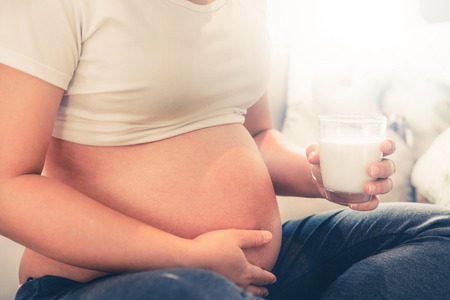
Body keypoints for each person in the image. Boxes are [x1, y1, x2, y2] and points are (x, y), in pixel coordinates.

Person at [0, 0, 449, 299]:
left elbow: (256, 136)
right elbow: (7, 187)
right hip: (103, 281)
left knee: (439, 233)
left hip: (257, 271)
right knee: (199, 291)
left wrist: (320, 175)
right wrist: (184, 255)